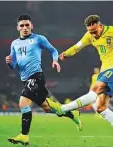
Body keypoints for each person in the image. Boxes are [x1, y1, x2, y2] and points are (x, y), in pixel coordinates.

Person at [47, 15, 113, 147]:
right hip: (104, 71)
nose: (93, 34)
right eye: (90, 32)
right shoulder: (89, 35)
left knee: (94, 91)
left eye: (95, 31)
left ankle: (62, 108)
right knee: (101, 108)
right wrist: (65, 53)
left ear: (100, 26)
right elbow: (78, 46)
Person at [5, 14, 82, 146]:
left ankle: (24, 136)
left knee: (23, 103)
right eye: (22, 25)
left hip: (36, 76)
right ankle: (71, 113)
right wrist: (9, 62)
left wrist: (55, 60)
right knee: (48, 108)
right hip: (25, 79)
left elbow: (53, 50)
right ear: (17, 27)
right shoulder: (14, 44)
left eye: (27, 25)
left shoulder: (38, 39)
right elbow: (14, 65)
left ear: (31, 26)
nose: (25, 28)